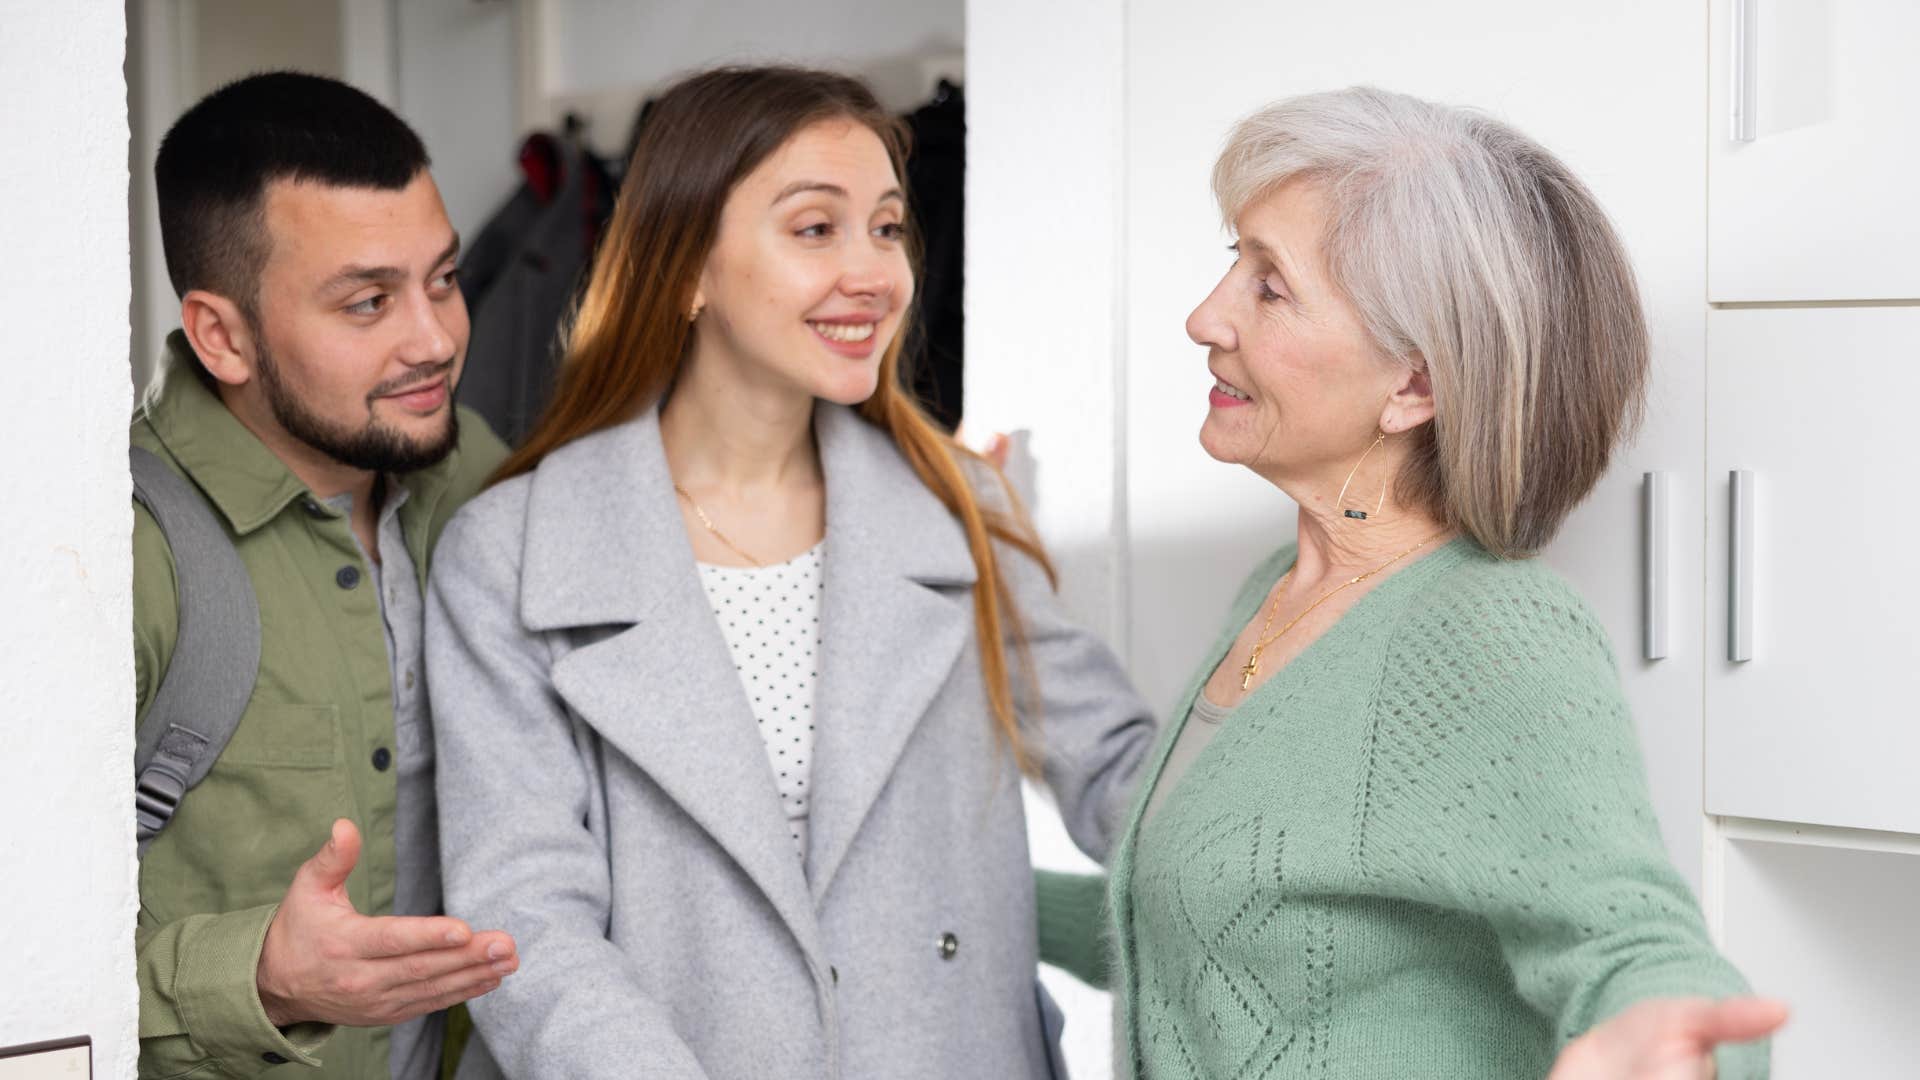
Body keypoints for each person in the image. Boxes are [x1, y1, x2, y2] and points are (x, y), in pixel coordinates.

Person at [425, 65, 1157, 1079]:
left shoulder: (958, 510)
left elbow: (1128, 777)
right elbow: (526, 924)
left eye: (889, 228)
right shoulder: (509, 555)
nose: (874, 272)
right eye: (817, 229)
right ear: (686, 268)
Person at [1037, 87, 1786, 1079]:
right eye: (1235, 263)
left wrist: (1675, 1041)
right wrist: (974, 898)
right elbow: (1205, 925)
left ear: (1416, 388)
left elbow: (1638, 944)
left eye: (1270, 287)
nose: (1204, 318)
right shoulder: (1282, 589)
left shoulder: (1489, 629)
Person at [132, 72, 518, 1079]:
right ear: (223, 335)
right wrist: (256, 975)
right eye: (368, 301)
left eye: (442, 278)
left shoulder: (477, 471)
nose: (435, 339)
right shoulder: (113, 557)